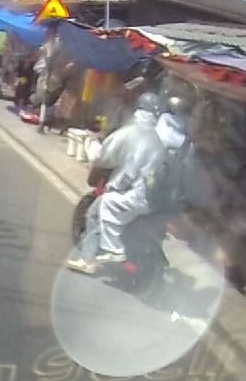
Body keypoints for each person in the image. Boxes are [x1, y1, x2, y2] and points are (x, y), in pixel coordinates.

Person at [66, 92, 172, 274]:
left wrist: (93, 147)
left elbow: (105, 158)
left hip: (133, 194)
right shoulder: (156, 139)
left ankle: (89, 259)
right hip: (152, 198)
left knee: (94, 213)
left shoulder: (129, 132)